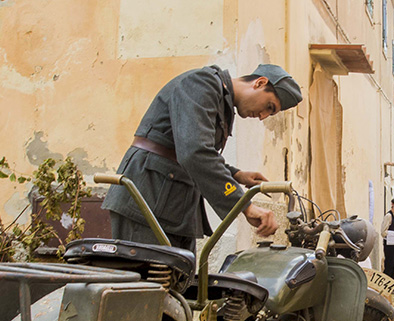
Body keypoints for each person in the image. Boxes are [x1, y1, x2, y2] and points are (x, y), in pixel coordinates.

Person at [102, 64, 301, 250]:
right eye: (269, 106)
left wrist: (236, 175)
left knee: (177, 283)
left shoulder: (219, 98)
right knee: (146, 284)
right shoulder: (201, 84)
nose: (263, 116)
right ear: (260, 83)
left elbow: (194, 149)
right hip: (147, 198)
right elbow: (194, 152)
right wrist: (244, 206)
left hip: (171, 205)